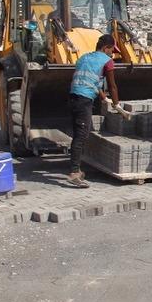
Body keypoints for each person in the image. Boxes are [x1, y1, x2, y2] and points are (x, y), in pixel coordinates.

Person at [67, 34, 120, 188]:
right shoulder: (107, 61)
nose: (112, 54)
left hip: (73, 98)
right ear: (105, 48)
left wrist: (103, 98)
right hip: (84, 101)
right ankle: (74, 173)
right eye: (111, 50)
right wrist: (117, 104)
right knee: (81, 136)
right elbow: (112, 85)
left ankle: (75, 168)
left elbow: (91, 81)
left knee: (78, 134)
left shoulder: (84, 58)